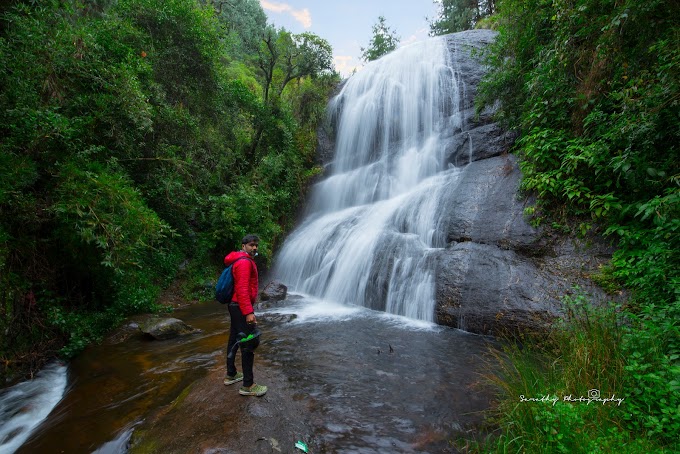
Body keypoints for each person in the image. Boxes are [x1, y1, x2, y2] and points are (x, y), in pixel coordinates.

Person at [223, 234, 267, 397]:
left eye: (256, 245)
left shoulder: (239, 260)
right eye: (251, 245)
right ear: (243, 246)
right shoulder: (243, 263)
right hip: (241, 307)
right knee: (249, 343)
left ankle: (231, 374)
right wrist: (248, 312)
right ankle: (248, 385)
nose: (254, 248)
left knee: (234, 338)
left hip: (235, 306)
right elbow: (242, 289)